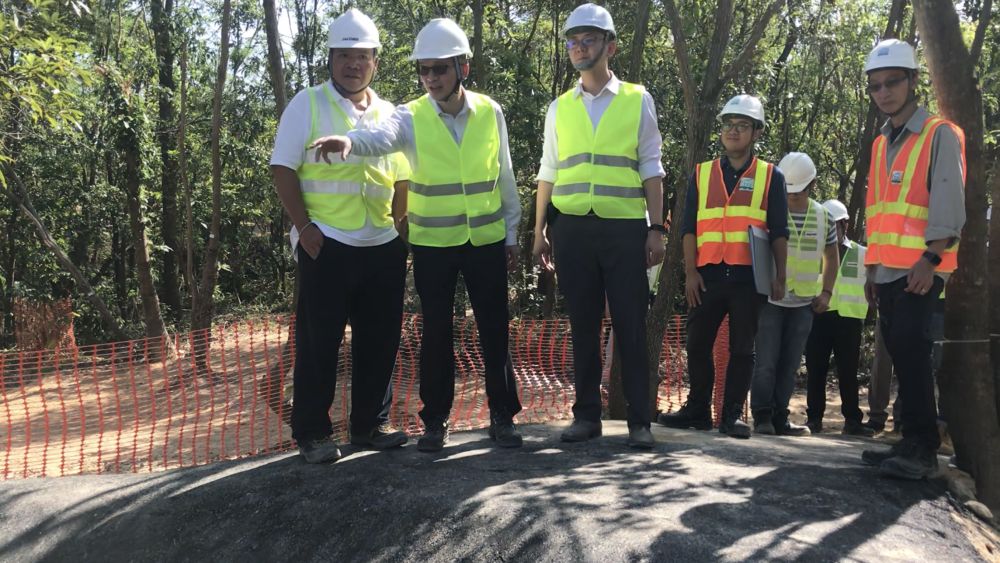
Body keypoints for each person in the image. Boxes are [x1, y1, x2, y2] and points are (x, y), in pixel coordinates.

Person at [308, 18, 523, 453]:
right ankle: (435, 422)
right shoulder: (410, 115)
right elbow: (380, 137)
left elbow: (505, 177)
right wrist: (351, 142)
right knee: (437, 334)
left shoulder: (490, 111)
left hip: (485, 241)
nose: (430, 78)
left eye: (439, 69)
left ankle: (503, 417)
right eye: (424, 70)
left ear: (462, 67)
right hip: (433, 247)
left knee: (495, 330)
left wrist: (513, 235)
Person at [270, 9, 410, 463]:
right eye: (345, 55)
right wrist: (305, 228)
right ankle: (312, 433)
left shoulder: (390, 113)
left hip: (381, 245)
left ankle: (371, 424)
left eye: (363, 56)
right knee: (319, 342)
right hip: (327, 243)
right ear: (331, 58)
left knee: (381, 339)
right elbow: (283, 168)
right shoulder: (307, 104)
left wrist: (401, 234)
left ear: (375, 61)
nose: (354, 64)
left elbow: (403, 178)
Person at [531, 3, 665, 449]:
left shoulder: (636, 99)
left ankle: (639, 422)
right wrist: (538, 232)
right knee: (583, 325)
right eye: (572, 40)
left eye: (588, 39)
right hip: (571, 229)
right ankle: (586, 416)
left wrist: (656, 227)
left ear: (610, 46)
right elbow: (548, 171)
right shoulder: (559, 108)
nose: (578, 47)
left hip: (625, 229)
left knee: (630, 324)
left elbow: (652, 166)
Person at [859, 39, 966, 479]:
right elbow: (877, 207)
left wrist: (930, 258)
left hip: (920, 267)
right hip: (886, 270)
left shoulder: (939, 133)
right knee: (901, 351)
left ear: (912, 81)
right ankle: (909, 437)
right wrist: (869, 266)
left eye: (892, 82)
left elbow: (948, 200)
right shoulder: (882, 142)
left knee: (913, 349)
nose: (884, 92)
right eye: (876, 86)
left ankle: (922, 447)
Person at [657, 94, 789, 439]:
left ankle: (731, 415)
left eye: (742, 126)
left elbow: (779, 232)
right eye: (729, 125)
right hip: (708, 275)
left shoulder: (771, 176)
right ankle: (698, 410)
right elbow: (688, 228)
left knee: (743, 348)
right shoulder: (702, 174)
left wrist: (780, 275)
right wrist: (690, 272)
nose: (733, 131)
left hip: (749, 277)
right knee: (697, 344)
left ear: (756, 133)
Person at [750, 152, 837, 437]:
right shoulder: (768, 211)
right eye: (787, 192)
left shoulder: (823, 216)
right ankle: (761, 416)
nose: (791, 198)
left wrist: (826, 292)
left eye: (798, 193)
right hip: (772, 301)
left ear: (812, 186)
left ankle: (780, 417)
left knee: (789, 365)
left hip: (804, 303)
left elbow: (831, 257)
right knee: (766, 362)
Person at [804, 199, 876, 437]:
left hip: (849, 321)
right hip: (819, 317)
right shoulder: (813, 252)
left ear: (845, 224)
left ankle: (852, 421)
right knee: (816, 370)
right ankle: (814, 418)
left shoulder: (862, 254)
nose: (830, 229)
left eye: (834, 224)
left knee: (848, 372)